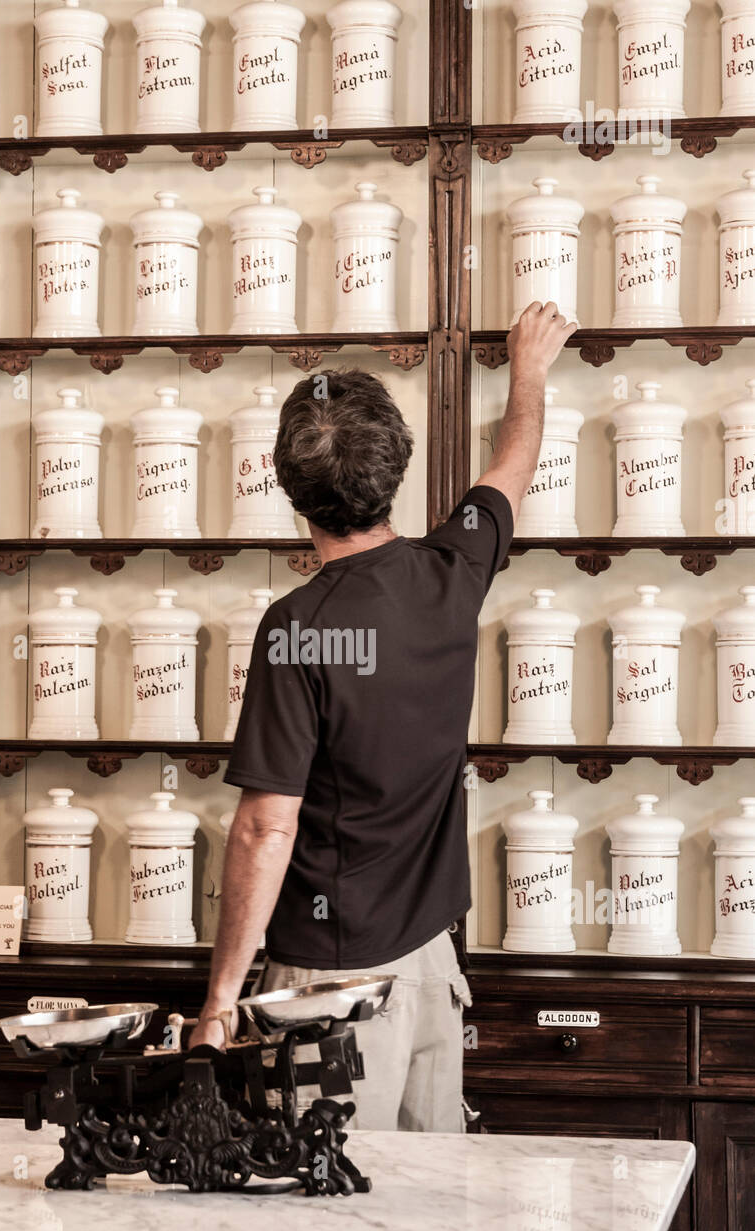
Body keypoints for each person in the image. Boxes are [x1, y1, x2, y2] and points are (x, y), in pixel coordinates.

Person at [189, 300, 577, 1130]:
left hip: (327, 994)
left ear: (289, 487)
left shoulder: (297, 627)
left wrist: (221, 1001)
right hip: (431, 969)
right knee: (427, 1224)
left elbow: (265, 825)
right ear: (395, 467)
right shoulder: (453, 571)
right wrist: (531, 370)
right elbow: (513, 463)